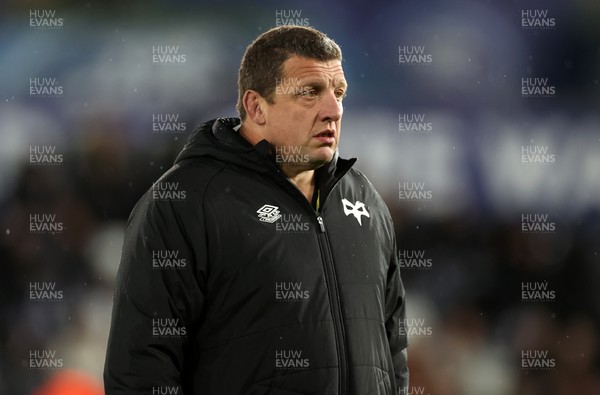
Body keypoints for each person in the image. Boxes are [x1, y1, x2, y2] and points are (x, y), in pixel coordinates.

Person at [104, 25, 409, 394]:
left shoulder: (365, 201)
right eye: (310, 93)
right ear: (255, 107)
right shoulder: (186, 201)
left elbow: (393, 351)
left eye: (339, 92)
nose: (333, 110)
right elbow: (140, 368)